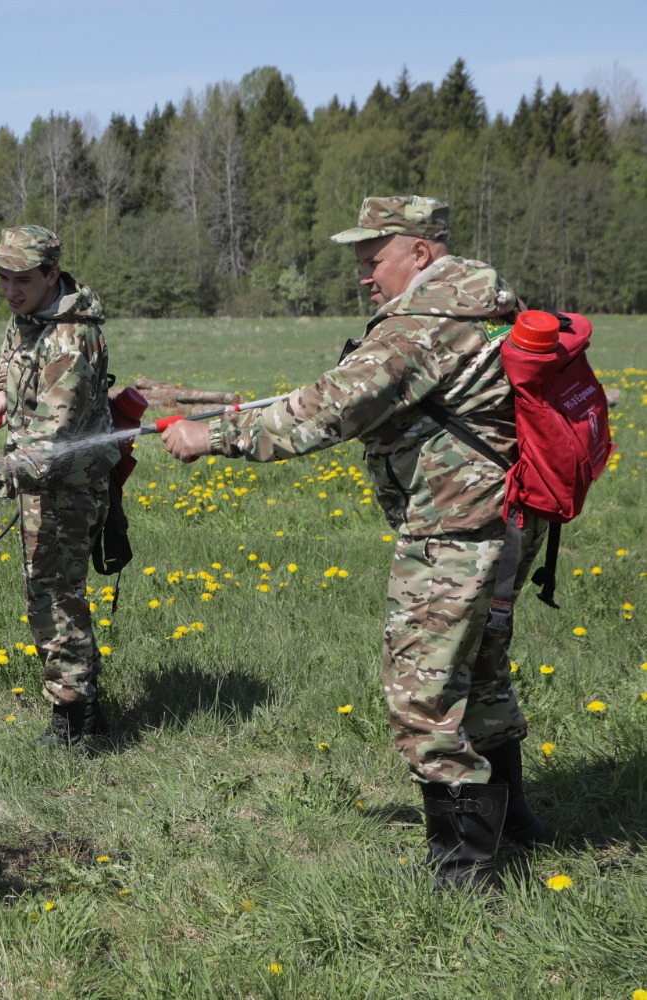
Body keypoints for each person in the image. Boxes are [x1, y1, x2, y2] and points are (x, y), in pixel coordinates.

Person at [160, 195, 546, 889]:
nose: (364, 276)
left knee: (422, 698)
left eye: (375, 259)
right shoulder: (485, 306)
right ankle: (515, 824)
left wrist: (210, 434)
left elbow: (329, 410)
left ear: (421, 252)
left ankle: (465, 876)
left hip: (454, 533)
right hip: (506, 523)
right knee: (481, 677)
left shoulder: (423, 325)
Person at [0, 226, 115, 750]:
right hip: (36, 480)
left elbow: (53, 442)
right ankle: (78, 703)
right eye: (3, 278)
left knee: (57, 599)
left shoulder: (71, 340)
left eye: (21, 279)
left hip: (68, 486)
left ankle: (77, 724)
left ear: (51, 274)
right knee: (46, 595)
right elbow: (10, 356)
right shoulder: (28, 316)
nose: (10, 290)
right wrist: (1, 391)